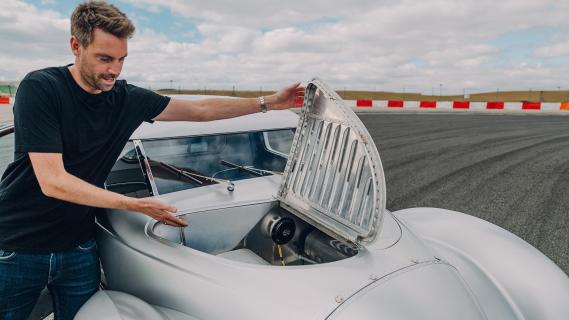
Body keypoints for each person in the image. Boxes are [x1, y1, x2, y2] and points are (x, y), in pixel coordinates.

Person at [0, 1, 304, 319]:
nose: (114, 70)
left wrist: (269, 102)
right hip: (18, 247)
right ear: (76, 46)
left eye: (121, 59)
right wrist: (137, 205)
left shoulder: (126, 98)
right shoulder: (42, 88)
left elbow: (200, 111)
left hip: (79, 247)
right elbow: (53, 181)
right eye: (104, 58)